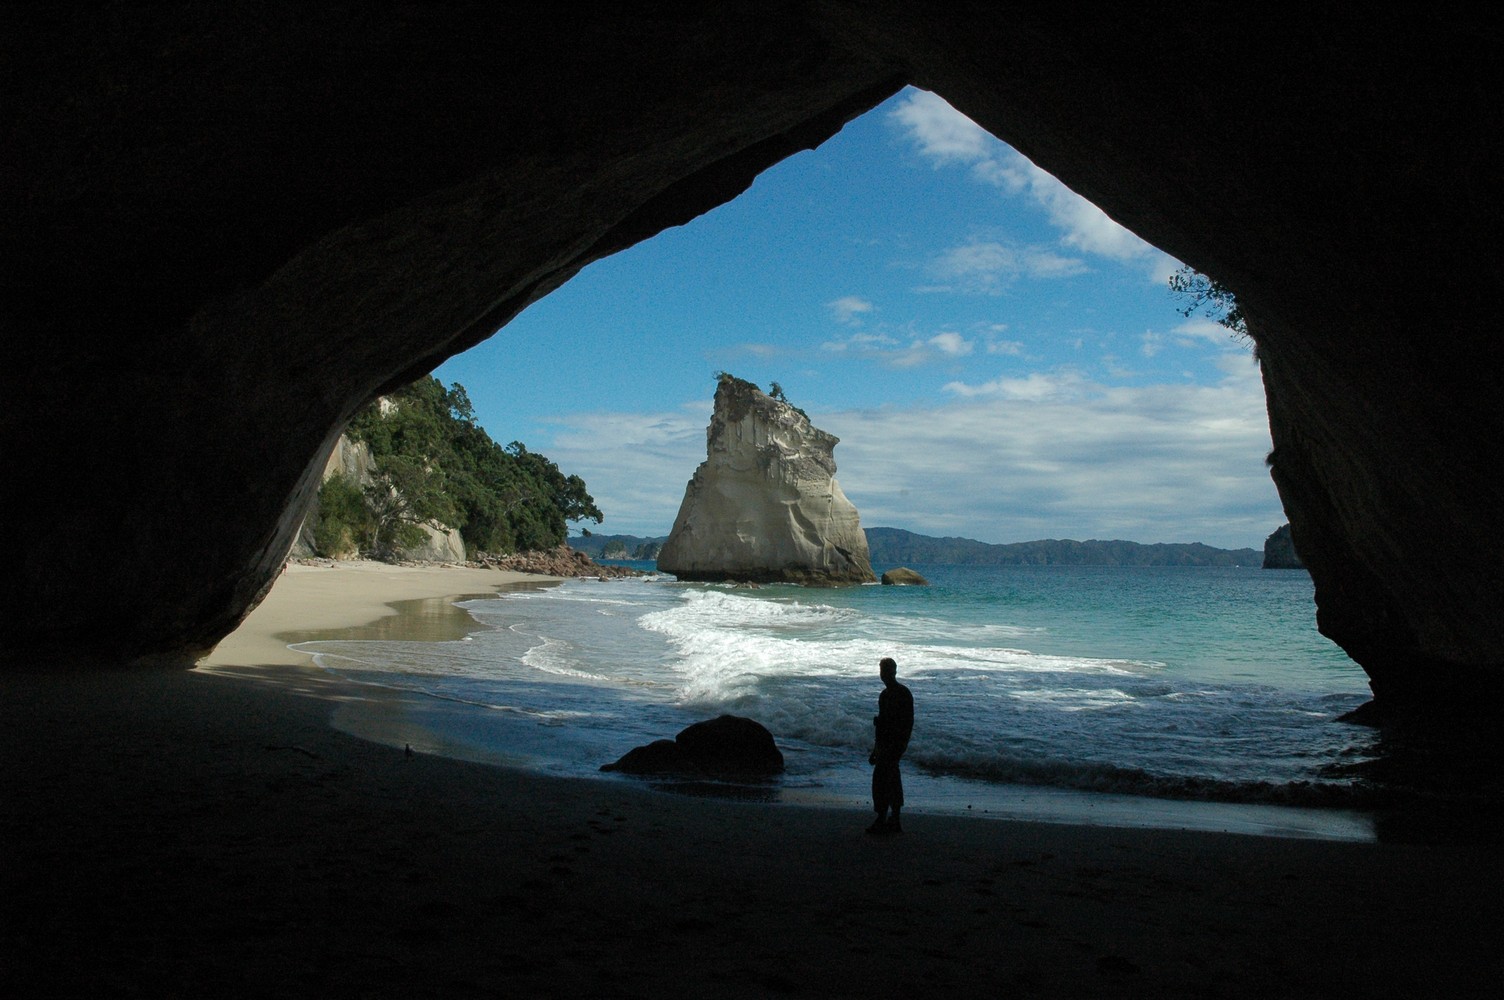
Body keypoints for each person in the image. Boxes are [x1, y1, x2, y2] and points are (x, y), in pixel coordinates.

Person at [867, 656, 913, 834]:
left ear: (893, 672)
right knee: (886, 780)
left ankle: (887, 819)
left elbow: (906, 723)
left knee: (887, 780)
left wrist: (900, 746)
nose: (883, 675)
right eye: (882, 671)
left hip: (894, 744)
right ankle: (890, 819)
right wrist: (875, 749)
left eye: (885, 671)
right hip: (887, 744)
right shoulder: (886, 695)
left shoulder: (901, 694)